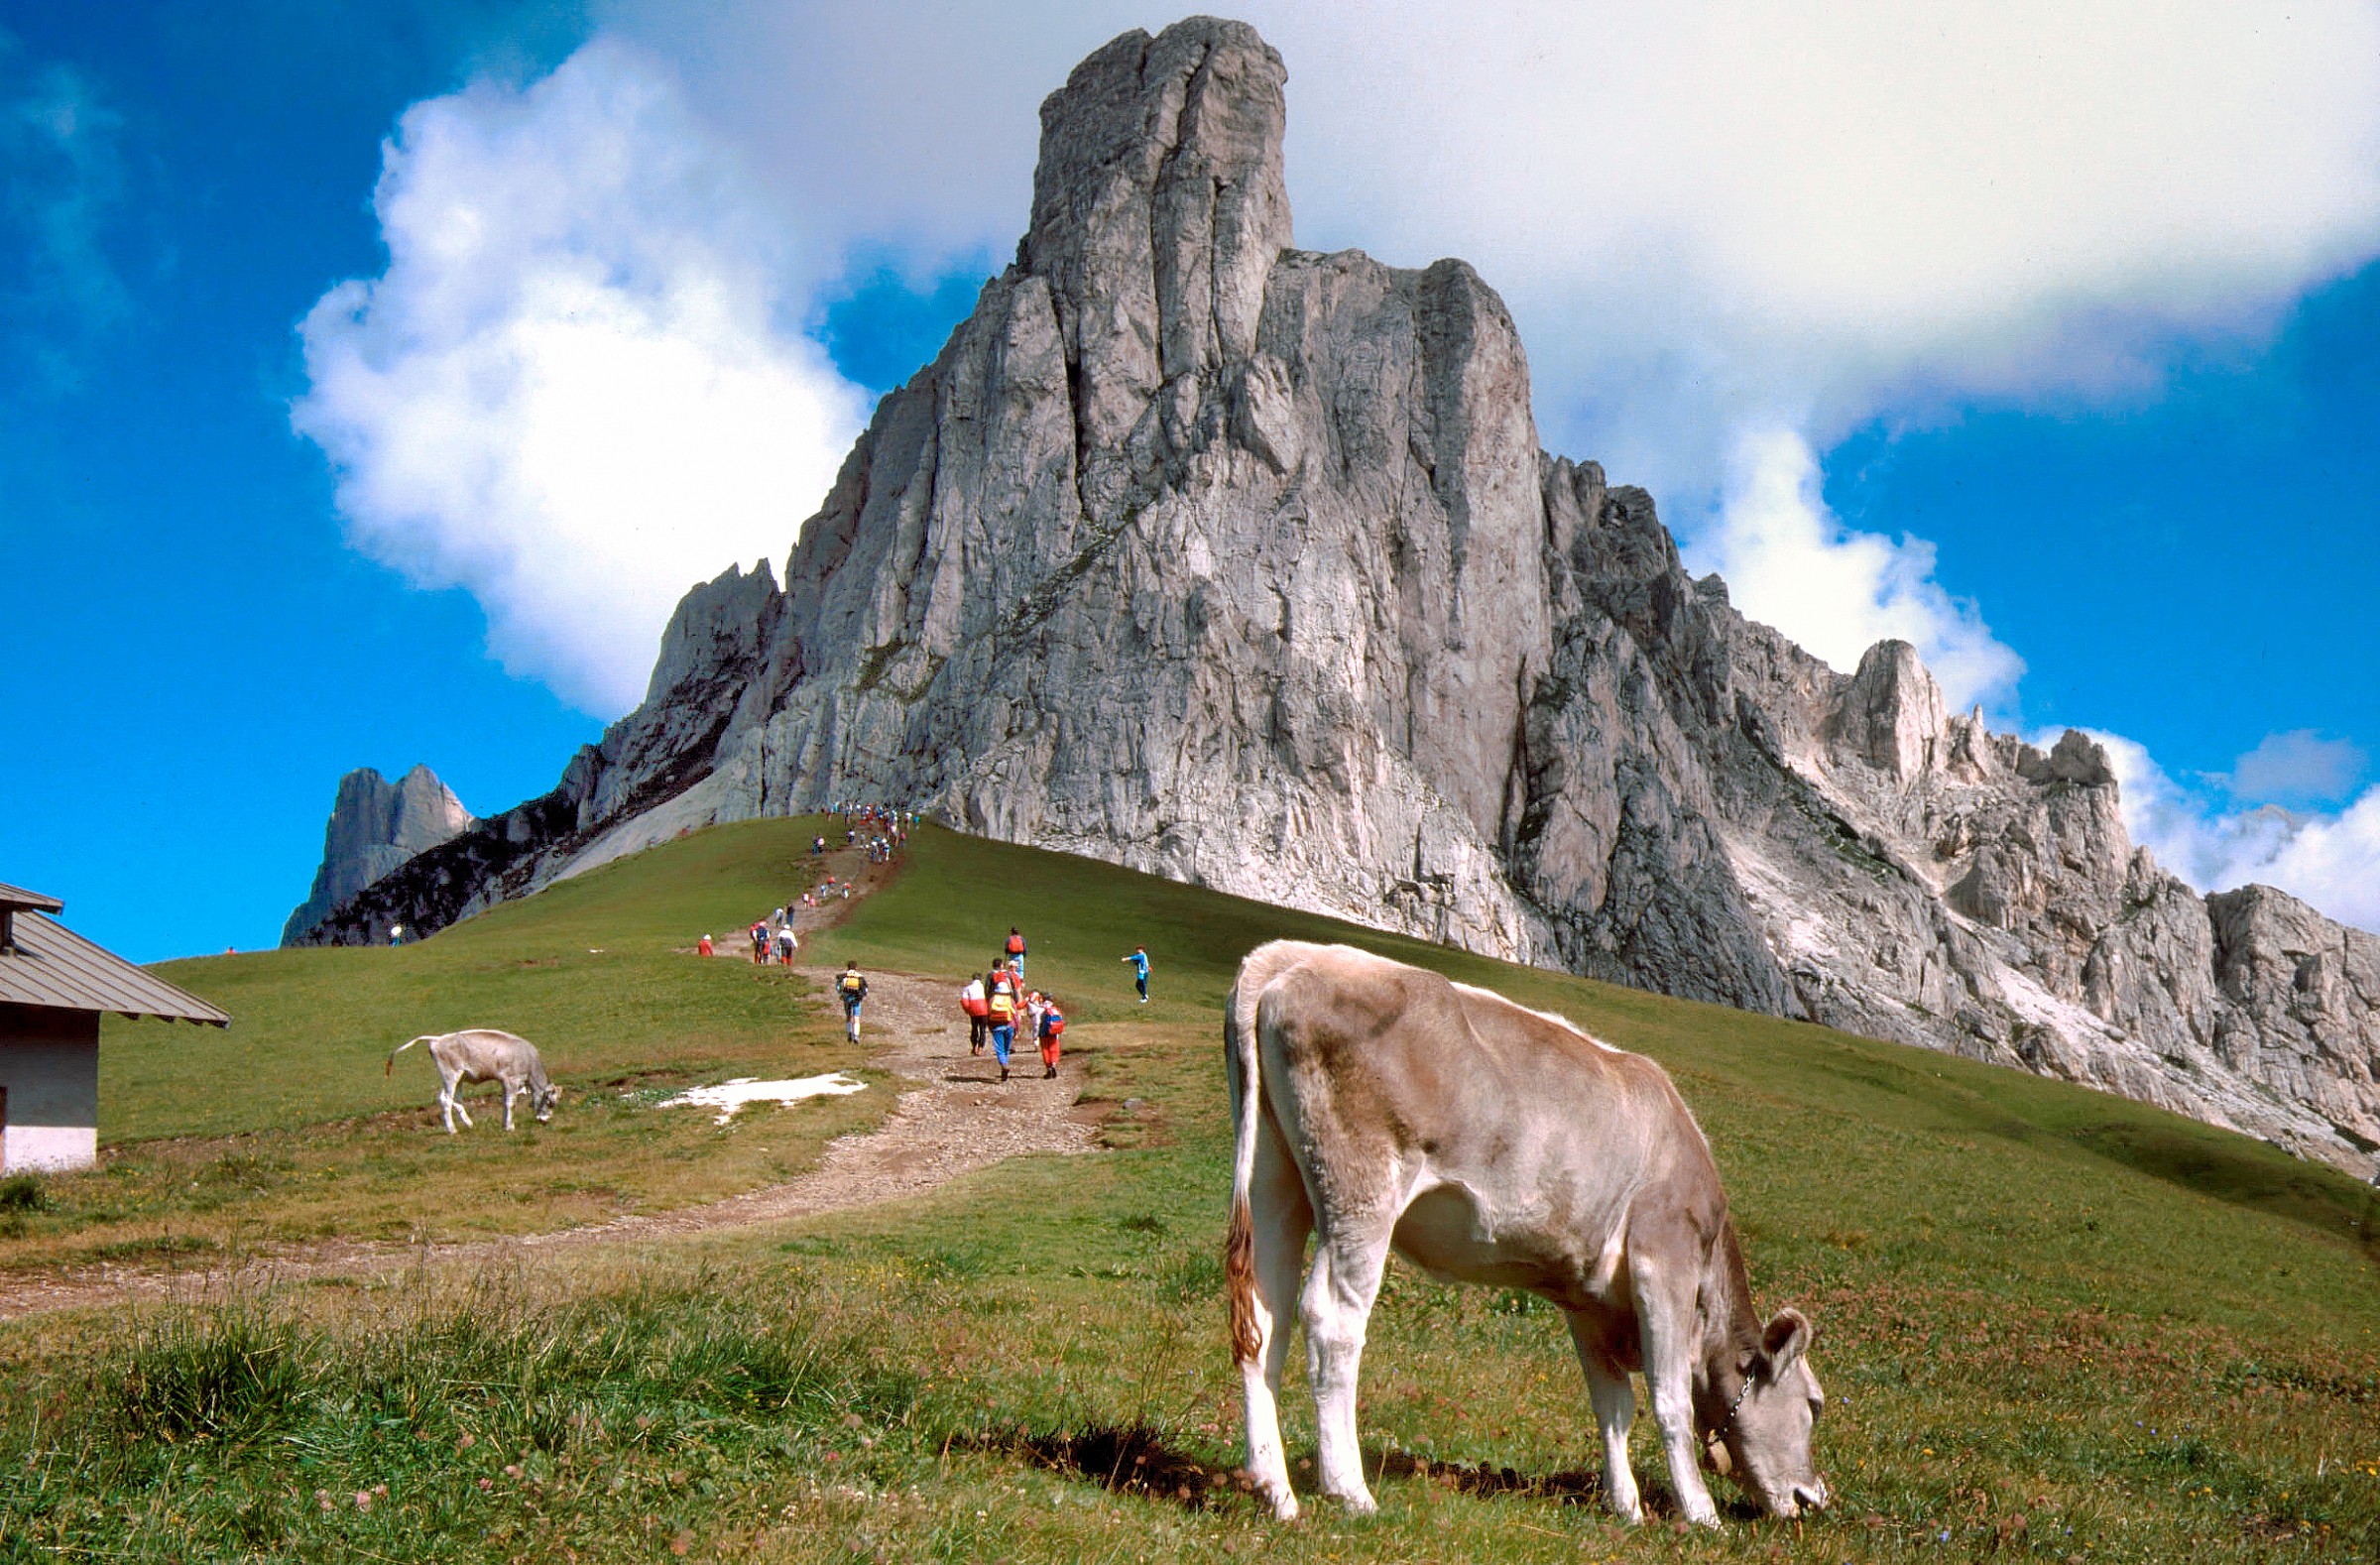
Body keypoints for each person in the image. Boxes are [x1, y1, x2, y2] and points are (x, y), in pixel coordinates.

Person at [985, 972, 1017, 1082]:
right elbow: (1015, 1016)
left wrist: (988, 1026)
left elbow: (988, 1014)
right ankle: (1005, 1064)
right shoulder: (1011, 1000)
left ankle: (1004, 1065)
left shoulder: (992, 999)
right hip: (1009, 1026)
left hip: (996, 1027)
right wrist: (1017, 1029)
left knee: (999, 1049)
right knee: (1006, 1049)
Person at [837, 961, 869, 1042]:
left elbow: (838, 987)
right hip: (856, 998)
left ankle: (849, 1033)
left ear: (847, 967)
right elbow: (865, 989)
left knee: (848, 1016)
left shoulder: (844, 976)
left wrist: (841, 994)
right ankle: (856, 1036)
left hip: (847, 998)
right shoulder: (860, 976)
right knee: (856, 1017)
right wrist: (862, 995)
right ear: (856, 967)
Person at [1036, 994, 1066, 1079]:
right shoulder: (1056, 1010)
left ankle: (1048, 1068)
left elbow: (1039, 1023)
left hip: (1044, 1034)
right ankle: (1053, 1064)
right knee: (1054, 1050)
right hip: (1054, 1034)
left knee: (1046, 1050)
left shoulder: (1042, 1010)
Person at [960, 973, 989, 1055]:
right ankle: (980, 1048)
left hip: (973, 1010)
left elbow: (964, 1001)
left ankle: (974, 1046)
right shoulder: (984, 988)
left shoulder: (967, 988)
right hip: (984, 1010)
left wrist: (968, 1010)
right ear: (980, 979)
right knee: (983, 1030)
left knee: (974, 1028)